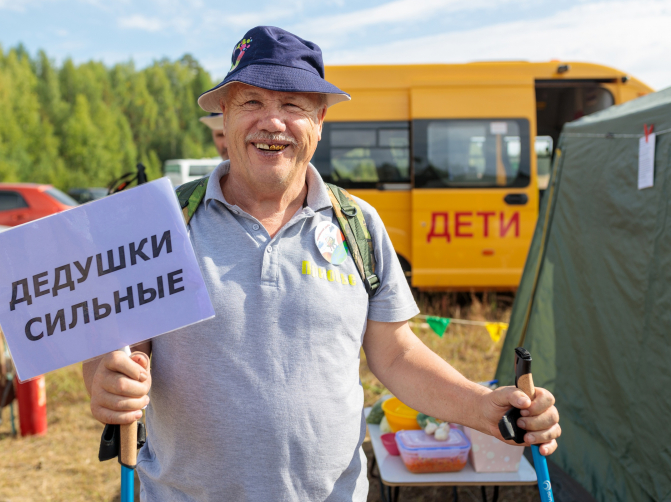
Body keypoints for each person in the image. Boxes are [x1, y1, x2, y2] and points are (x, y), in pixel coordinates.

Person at [83, 26, 561, 501]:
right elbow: (117, 347)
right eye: (252, 102)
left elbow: (394, 354)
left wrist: (483, 406)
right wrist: (102, 380)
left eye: (293, 105)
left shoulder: (359, 224)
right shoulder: (162, 223)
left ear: (320, 121)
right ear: (223, 117)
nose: (273, 122)